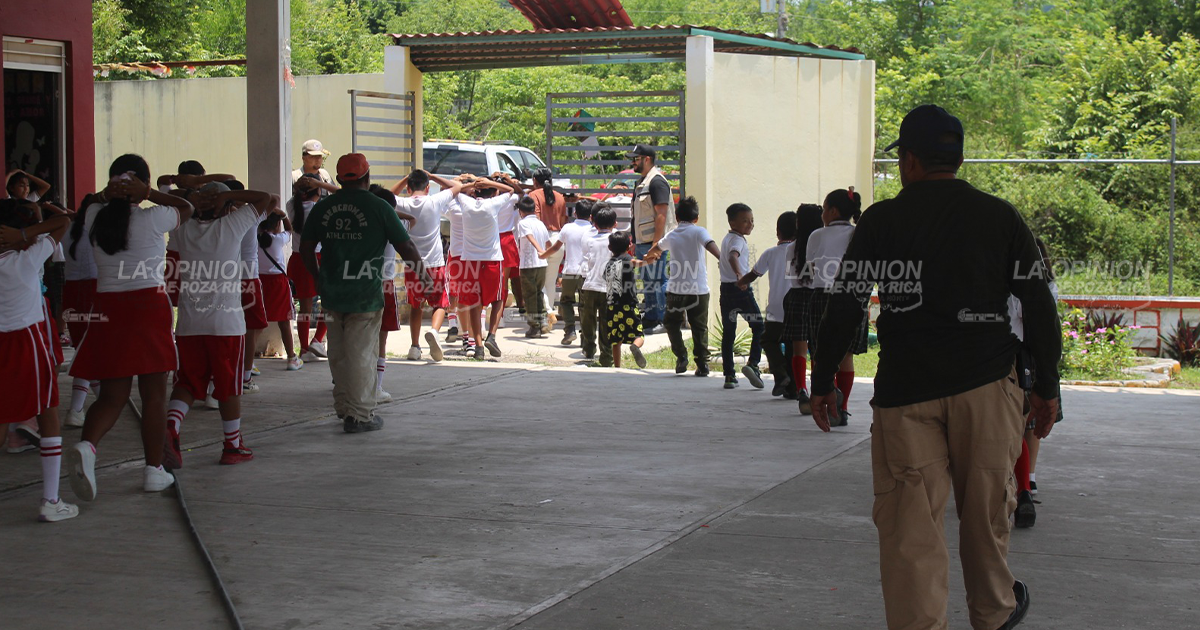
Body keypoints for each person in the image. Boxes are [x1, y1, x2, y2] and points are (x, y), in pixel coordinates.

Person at [809, 104, 1061, 630]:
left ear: (909, 160)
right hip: (989, 388)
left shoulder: (883, 220)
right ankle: (994, 613)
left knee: (910, 526)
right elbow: (1038, 304)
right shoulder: (1000, 216)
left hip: (907, 395)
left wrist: (823, 379)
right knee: (987, 516)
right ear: (960, 159)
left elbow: (848, 303)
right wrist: (1046, 389)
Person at [67, 154, 195, 499]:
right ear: (141, 183)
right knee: (154, 396)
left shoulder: (94, 215)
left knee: (112, 396)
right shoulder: (155, 217)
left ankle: (88, 447)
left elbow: (92, 202)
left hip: (108, 307)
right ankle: (153, 470)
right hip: (148, 307)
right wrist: (149, 193)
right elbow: (187, 207)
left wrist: (110, 193)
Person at [299, 153, 428, 433]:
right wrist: (425, 275)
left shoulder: (325, 207)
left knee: (339, 353)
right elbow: (406, 247)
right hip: (365, 294)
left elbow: (305, 249)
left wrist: (318, 278)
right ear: (366, 176)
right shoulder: (379, 207)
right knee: (362, 354)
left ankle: (345, 407)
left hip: (332, 292)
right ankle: (359, 416)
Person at [163, 183, 273, 471]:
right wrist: (227, 196)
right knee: (228, 386)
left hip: (188, 323)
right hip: (226, 324)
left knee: (187, 381)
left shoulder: (182, 228)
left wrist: (194, 198)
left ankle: (171, 426)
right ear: (226, 206)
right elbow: (266, 198)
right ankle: (233, 445)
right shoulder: (233, 225)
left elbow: (172, 201)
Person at [0, 201, 78, 521]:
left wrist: (20, 232)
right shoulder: (26, 258)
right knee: (48, 412)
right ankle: (50, 499)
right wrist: (26, 233)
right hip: (25, 342)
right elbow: (65, 221)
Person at [806, 187, 869, 426]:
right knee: (847, 355)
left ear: (832, 211)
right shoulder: (858, 233)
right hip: (852, 296)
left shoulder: (816, 236)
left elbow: (811, 267)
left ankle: (822, 399)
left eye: (823, 209)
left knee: (820, 352)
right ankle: (842, 408)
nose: (822, 214)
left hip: (822, 295)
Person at [1008, 237, 1060, 529]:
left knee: (1022, 424)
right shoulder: (1041, 285)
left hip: (1018, 356)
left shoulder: (1017, 284)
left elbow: (1025, 316)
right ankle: (1025, 483)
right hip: (1029, 355)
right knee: (1024, 425)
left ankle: (1024, 482)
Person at [644, 197, 720, 377]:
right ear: (697, 218)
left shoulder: (672, 234)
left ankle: (681, 356)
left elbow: (656, 248)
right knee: (699, 327)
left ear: (677, 217)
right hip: (699, 289)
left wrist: (649, 257)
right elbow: (710, 244)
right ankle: (702, 364)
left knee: (671, 323)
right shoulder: (699, 231)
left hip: (676, 290)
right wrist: (723, 259)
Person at [391, 169, 462, 362]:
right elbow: (458, 186)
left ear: (408, 187)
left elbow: (386, 196)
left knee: (416, 306)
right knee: (440, 303)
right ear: (428, 187)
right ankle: (434, 331)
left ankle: (414, 347)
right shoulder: (434, 201)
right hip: (435, 264)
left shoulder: (403, 202)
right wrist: (433, 175)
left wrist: (405, 177)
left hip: (413, 264)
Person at [455, 174, 519, 360]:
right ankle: (491, 334)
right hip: (492, 260)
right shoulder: (495, 204)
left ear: (476, 192)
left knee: (475, 303)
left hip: (469, 261)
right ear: (494, 192)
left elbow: (451, 189)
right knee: (498, 297)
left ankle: (478, 345)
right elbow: (512, 190)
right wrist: (490, 182)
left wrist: (469, 183)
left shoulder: (466, 202)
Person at [736, 211, 797, 397]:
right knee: (793, 348)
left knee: (768, 340)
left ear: (778, 232)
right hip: (796, 309)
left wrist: (741, 282)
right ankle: (792, 388)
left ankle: (780, 375)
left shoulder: (771, 253)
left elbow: (754, 274)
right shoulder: (801, 251)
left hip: (776, 310)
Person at [61, 198, 102, 427]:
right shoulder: (97, 232)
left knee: (86, 349)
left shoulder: (68, 228)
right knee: (89, 352)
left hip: (72, 294)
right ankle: (77, 408)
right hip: (92, 293)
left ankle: (100, 401)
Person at [779, 204, 825, 410]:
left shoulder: (792, 247)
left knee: (799, 347)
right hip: (817, 296)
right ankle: (817, 388)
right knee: (818, 348)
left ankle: (801, 389)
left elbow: (791, 275)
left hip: (797, 297)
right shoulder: (822, 244)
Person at [718, 203, 766, 390]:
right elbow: (732, 256)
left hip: (725, 291)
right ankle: (753, 364)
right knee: (759, 326)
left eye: (752, 220)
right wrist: (740, 275)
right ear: (732, 222)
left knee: (728, 333)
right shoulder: (737, 241)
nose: (750, 224)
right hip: (740, 291)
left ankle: (729, 375)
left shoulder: (727, 238)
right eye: (745, 221)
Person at [629, 145, 676, 334]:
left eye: (636, 158)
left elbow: (661, 214)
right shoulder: (643, 182)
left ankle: (663, 319)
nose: (633, 162)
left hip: (653, 242)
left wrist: (657, 244)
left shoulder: (657, 182)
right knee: (648, 281)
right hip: (643, 241)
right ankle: (650, 317)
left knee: (657, 280)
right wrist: (635, 239)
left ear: (646, 159)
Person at [287, 174, 329, 362]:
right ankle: (317, 340)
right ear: (317, 190)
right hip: (317, 256)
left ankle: (304, 348)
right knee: (329, 303)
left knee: (304, 308)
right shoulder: (317, 207)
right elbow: (344, 193)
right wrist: (320, 183)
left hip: (297, 258)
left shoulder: (291, 205)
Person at [256, 207, 303, 371]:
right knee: (284, 321)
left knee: (256, 323)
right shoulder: (278, 239)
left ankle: (247, 360)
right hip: (278, 283)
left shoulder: (254, 240)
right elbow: (290, 229)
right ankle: (291, 358)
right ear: (277, 225)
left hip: (259, 282)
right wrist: (284, 216)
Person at [369, 185, 403, 401]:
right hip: (385, 285)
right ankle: (376, 387)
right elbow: (411, 221)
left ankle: (351, 382)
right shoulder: (395, 225)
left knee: (359, 337)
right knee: (381, 338)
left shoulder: (360, 226)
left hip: (360, 283)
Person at [578, 203, 618, 366]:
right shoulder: (617, 238)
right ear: (615, 223)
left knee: (588, 320)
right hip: (609, 288)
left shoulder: (589, 239)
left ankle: (588, 348)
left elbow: (586, 259)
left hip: (590, 285)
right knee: (606, 322)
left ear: (594, 223)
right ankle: (606, 356)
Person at [516, 196, 562, 337]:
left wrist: (538, 250)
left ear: (521, 211)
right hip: (542, 264)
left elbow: (530, 237)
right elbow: (548, 243)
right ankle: (542, 322)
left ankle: (534, 326)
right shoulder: (541, 224)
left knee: (530, 296)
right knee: (539, 293)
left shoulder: (523, 223)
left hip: (529, 265)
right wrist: (546, 253)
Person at [529, 167, 568, 331]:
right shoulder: (560, 197)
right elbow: (564, 221)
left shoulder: (534, 195)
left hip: (542, 240)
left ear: (534, 181)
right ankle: (548, 319)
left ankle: (549, 311)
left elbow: (535, 220)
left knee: (537, 283)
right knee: (550, 282)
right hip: (558, 240)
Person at [604, 231, 648, 368]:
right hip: (628, 305)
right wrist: (649, 260)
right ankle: (635, 346)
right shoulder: (628, 259)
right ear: (629, 246)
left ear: (610, 248)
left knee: (616, 340)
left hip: (612, 307)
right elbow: (637, 263)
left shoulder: (609, 264)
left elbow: (605, 278)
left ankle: (617, 367)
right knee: (638, 334)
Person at [557, 197, 596, 346]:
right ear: (591, 215)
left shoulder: (567, 228)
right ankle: (585, 335)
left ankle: (570, 330)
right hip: (587, 273)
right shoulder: (593, 230)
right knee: (585, 305)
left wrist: (544, 254)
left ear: (574, 212)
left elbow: (557, 247)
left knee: (566, 301)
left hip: (570, 271)